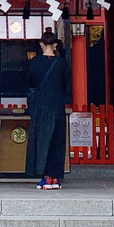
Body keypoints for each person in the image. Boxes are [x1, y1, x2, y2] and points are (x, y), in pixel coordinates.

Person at [25, 29, 71, 190]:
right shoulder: (62, 63)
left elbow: (30, 82)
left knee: (41, 140)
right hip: (57, 104)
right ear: (56, 45)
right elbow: (66, 84)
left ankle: (44, 176)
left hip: (40, 104)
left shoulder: (35, 62)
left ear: (41, 44)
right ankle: (55, 178)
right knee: (57, 141)